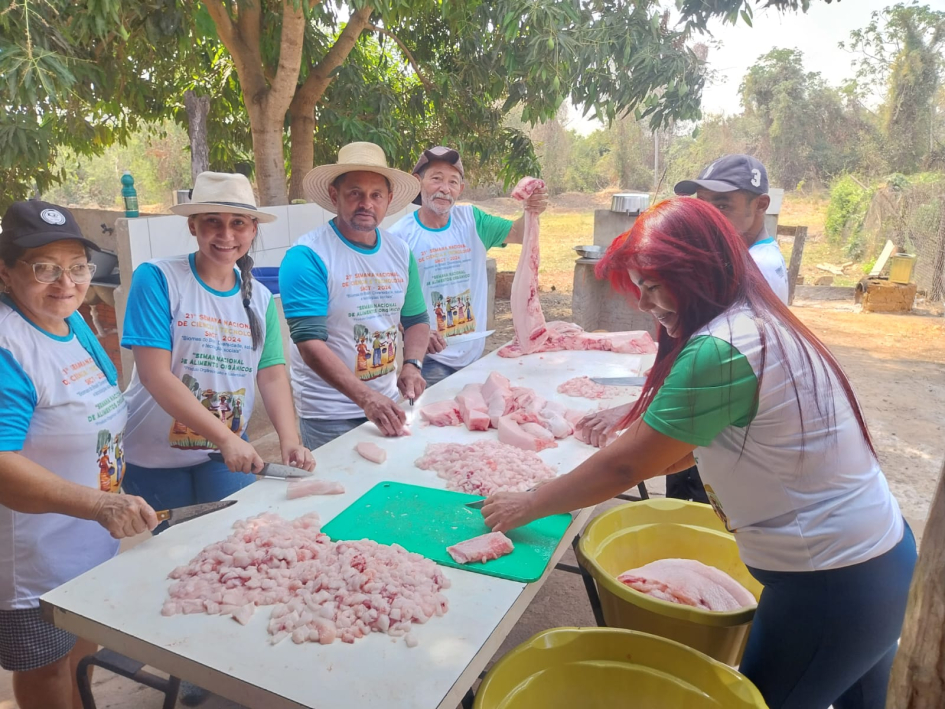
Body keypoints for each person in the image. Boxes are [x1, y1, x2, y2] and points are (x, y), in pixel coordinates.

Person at [482, 198, 916, 709]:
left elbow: (627, 464)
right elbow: (702, 440)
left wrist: (529, 502)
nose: (644, 305)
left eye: (652, 286)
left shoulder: (723, 347)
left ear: (699, 270)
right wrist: (661, 457)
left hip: (830, 584)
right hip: (877, 559)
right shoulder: (755, 323)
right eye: (638, 288)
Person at [0, 200, 157, 709]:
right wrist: (99, 505)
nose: (64, 282)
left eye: (76, 267)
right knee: (47, 671)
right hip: (36, 557)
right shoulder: (9, 344)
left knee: (81, 652)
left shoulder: (74, 323)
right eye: (44, 268)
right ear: (5, 273)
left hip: (90, 541)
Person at [581, 154, 790, 502]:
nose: (709, 220)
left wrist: (638, 417)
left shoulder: (752, 271)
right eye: (702, 206)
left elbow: (627, 467)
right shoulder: (745, 261)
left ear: (761, 205)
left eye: (722, 206)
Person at [121, 172, 315, 529]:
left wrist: (290, 439)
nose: (226, 235)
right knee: (175, 556)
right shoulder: (158, 279)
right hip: (155, 456)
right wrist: (227, 438)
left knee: (236, 540)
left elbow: (271, 373)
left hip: (224, 453)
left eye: (238, 223)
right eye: (213, 222)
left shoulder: (258, 296)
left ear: (253, 228)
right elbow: (154, 375)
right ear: (193, 226)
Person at [280, 142, 430, 449]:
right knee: (340, 495)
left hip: (385, 403)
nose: (366, 203)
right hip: (329, 414)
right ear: (335, 196)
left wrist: (412, 364)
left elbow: (416, 319)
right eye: (355, 193)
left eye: (376, 195)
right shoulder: (307, 256)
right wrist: (365, 398)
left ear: (389, 200)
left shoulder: (400, 251)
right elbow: (309, 343)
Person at [388, 146, 549, 386]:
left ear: (460, 189)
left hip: (474, 356)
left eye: (453, 181)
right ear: (417, 183)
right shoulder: (399, 236)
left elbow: (518, 232)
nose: (445, 188)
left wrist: (532, 208)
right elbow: (386, 301)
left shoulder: (472, 220)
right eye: (436, 179)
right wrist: (415, 331)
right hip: (429, 359)